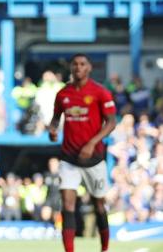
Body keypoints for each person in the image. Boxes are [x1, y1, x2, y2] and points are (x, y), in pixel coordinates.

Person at [48, 54, 116, 252]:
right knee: (67, 205)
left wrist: (92, 143)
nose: (78, 67)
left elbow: (111, 122)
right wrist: (53, 130)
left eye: (82, 64)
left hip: (94, 160)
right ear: (71, 68)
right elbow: (55, 119)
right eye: (75, 64)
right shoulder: (62, 94)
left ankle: (105, 248)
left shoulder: (100, 92)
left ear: (89, 68)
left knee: (99, 206)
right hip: (69, 158)